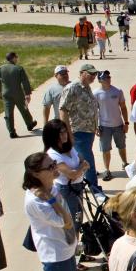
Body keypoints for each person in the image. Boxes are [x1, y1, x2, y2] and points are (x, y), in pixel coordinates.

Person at [42, 119, 88, 240]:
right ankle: (71, 249)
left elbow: (84, 161)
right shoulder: (52, 154)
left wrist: (79, 169)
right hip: (66, 190)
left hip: (78, 187)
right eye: (61, 133)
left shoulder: (69, 148)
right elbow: (72, 174)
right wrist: (80, 168)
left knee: (78, 221)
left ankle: (77, 249)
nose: (65, 135)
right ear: (53, 136)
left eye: (65, 132)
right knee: (70, 221)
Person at [60, 64, 101, 194]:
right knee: (88, 160)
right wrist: (67, 132)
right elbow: (63, 109)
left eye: (95, 74)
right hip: (78, 131)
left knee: (83, 159)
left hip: (88, 131)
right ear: (82, 73)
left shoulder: (87, 87)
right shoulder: (73, 88)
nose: (94, 76)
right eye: (91, 74)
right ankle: (94, 188)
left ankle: (79, 184)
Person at [94, 71, 130, 180]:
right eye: (105, 78)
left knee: (122, 146)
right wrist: (95, 126)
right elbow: (94, 112)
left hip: (118, 125)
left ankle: (125, 163)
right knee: (105, 149)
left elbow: (123, 107)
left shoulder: (117, 91)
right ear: (100, 80)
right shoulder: (95, 94)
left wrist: (126, 123)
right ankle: (107, 170)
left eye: (109, 77)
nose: (108, 79)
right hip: (104, 126)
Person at [0, 51, 37, 138]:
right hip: (18, 94)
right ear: (13, 58)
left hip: (6, 94)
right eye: (16, 57)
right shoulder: (19, 68)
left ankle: (11, 131)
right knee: (24, 109)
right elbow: (25, 82)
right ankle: (30, 124)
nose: (17, 58)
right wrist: (27, 94)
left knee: (8, 113)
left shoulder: (1, 68)